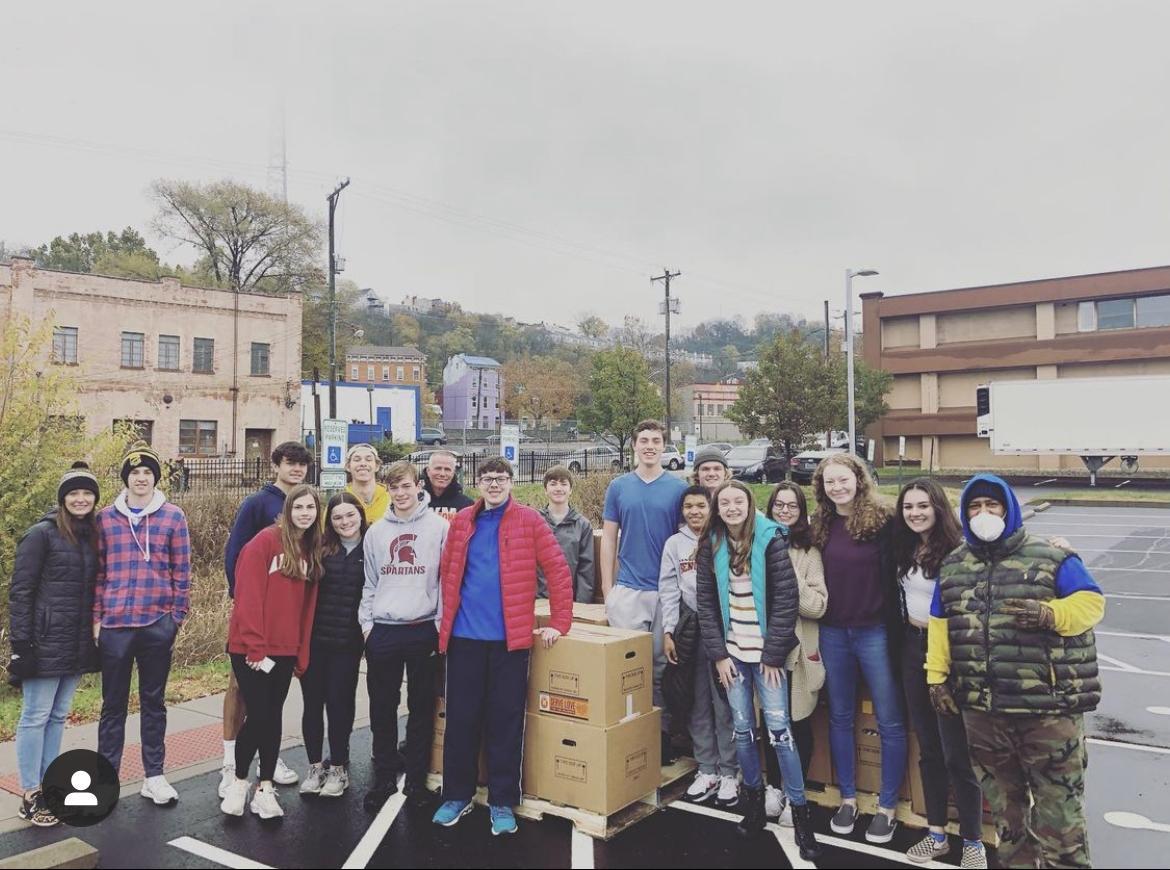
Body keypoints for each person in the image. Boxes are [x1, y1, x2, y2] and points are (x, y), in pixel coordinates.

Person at [928, 474, 1103, 870]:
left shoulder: (1051, 557)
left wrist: (1050, 614)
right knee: (1008, 821)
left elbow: (1092, 603)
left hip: (1048, 713)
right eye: (975, 507)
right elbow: (941, 624)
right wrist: (936, 678)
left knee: (1060, 817)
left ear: (1009, 509)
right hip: (984, 714)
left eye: (992, 505)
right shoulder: (953, 566)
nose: (983, 514)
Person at [432, 458, 573, 836]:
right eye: (487, 478)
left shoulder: (530, 521)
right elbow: (447, 573)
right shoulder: (462, 521)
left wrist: (559, 622)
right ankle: (456, 795)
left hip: (510, 642)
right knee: (461, 721)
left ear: (512, 482)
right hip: (464, 639)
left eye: (501, 478)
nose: (494, 484)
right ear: (477, 483)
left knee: (505, 722)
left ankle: (502, 801)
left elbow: (558, 570)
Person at [695, 481, 821, 859]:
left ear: (750, 505)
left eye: (739, 501)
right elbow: (706, 604)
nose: (732, 507)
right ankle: (753, 807)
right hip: (733, 655)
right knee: (743, 731)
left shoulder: (771, 539)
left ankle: (801, 814)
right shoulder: (711, 543)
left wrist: (773, 655)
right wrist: (719, 655)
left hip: (767, 657)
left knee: (780, 732)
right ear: (718, 508)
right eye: (725, 502)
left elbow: (786, 600)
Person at [810, 452, 906, 844]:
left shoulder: (884, 521)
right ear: (822, 487)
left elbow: (931, 540)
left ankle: (887, 807)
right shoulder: (819, 524)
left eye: (843, 479)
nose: (837, 487)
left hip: (874, 632)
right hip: (833, 633)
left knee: (890, 720)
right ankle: (847, 799)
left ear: (859, 480)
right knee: (840, 717)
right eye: (829, 482)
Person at [891, 478, 988, 867]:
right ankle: (936, 835)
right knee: (929, 749)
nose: (915, 513)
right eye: (908, 506)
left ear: (938, 508)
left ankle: (973, 842)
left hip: (949, 654)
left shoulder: (961, 548)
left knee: (956, 752)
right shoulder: (904, 545)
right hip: (912, 648)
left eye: (922, 506)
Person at [94, 442, 190, 806]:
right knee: (112, 705)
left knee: (153, 702)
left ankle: (154, 776)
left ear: (155, 478)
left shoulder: (173, 517)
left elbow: (182, 571)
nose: (141, 478)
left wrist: (175, 618)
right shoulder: (105, 519)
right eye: (134, 473)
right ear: (126, 478)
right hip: (116, 626)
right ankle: (106, 779)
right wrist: (97, 618)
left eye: (147, 472)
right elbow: (98, 574)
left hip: (156, 624)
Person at [8, 462, 103, 827]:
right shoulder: (41, 535)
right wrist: (21, 645)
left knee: (59, 715)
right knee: (35, 716)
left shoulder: (91, 535)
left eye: (87, 493)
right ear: (63, 499)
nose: (80, 499)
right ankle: (30, 793)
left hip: (77, 643)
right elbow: (21, 592)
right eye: (73, 493)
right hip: (44, 642)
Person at [220, 484, 323, 819]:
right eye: (299, 507)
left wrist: (302, 652)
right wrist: (254, 647)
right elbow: (247, 596)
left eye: (311, 508)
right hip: (250, 648)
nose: (305, 513)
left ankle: (264, 789)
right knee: (259, 715)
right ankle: (239, 783)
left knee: (271, 715)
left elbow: (307, 609)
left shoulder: (310, 549)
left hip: (286, 648)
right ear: (287, 510)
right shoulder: (264, 542)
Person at [361, 461, 449, 812]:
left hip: (423, 628)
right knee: (382, 708)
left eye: (406, 486)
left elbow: (445, 581)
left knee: (421, 708)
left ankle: (415, 780)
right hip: (384, 629)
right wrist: (367, 626)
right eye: (394, 487)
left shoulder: (439, 528)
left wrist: (439, 626)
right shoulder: (376, 532)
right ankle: (384, 777)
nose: (400, 493)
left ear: (418, 486)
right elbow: (370, 582)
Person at [600, 419, 688, 764]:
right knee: (628, 670)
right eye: (644, 441)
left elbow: (684, 542)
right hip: (628, 591)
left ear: (663, 446)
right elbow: (608, 539)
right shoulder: (619, 487)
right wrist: (608, 589)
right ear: (634, 445)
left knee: (662, 668)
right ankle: (629, 738)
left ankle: (660, 737)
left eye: (655, 441)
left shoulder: (677, 488)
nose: (649, 446)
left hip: (665, 593)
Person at [660, 485, 739, 807]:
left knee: (725, 701)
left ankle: (730, 771)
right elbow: (669, 589)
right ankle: (707, 768)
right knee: (697, 701)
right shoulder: (674, 544)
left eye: (701, 506)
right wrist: (669, 630)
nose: (694, 512)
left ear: (711, 508)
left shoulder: (725, 539)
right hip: (690, 629)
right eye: (689, 506)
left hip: (723, 630)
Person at [762, 481, 827, 825]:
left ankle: (795, 794)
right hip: (764, 653)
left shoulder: (809, 552)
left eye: (792, 506)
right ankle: (774, 787)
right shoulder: (757, 546)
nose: (784, 511)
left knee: (797, 725)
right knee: (770, 723)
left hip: (797, 655)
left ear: (802, 512)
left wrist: (788, 575)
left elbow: (817, 606)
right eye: (779, 505)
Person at [299, 492, 367, 800]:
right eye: (337, 517)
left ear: (360, 514)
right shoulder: (321, 548)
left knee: (340, 705)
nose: (344, 522)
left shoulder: (372, 547)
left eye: (350, 515)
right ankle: (315, 767)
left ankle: (338, 767)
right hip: (315, 642)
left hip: (347, 644)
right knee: (312, 705)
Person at [537, 465, 596, 603]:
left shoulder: (582, 525)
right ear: (545, 489)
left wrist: (581, 605)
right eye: (553, 484)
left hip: (569, 603)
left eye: (564, 484)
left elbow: (586, 569)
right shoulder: (534, 522)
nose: (558, 488)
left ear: (570, 490)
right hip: (538, 602)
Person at [345, 443, 390, 523]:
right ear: (348, 466)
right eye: (357, 460)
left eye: (368, 460)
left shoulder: (390, 499)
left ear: (377, 466)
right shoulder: (340, 499)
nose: (363, 464)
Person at [423, 450, 474, 520]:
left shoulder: (467, 505)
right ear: (428, 471)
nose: (442, 474)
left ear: (453, 473)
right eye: (438, 468)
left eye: (447, 469)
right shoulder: (416, 502)